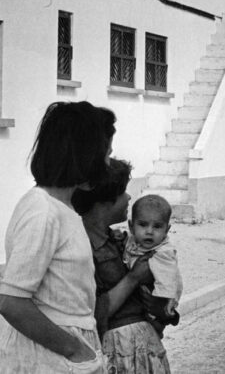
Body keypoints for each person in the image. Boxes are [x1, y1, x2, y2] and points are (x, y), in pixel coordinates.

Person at [0, 101, 114, 372]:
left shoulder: (61, 207)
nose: (108, 161)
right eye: (106, 153)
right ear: (85, 155)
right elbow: (12, 302)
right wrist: (74, 349)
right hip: (47, 357)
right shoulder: (43, 211)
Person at [75, 159, 172, 373]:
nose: (128, 198)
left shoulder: (122, 241)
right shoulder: (80, 247)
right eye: (123, 192)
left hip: (144, 345)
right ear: (105, 200)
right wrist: (134, 278)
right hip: (117, 349)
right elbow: (92, 311)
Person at [124, 195, 182, 333]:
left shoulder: (163, 252)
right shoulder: (133, 241)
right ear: (131, 227)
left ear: (166, 230)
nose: (149, 231)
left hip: (157, 299)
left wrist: (160, 309)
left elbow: (166, 282)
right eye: (143, 225)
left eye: (157, 226)